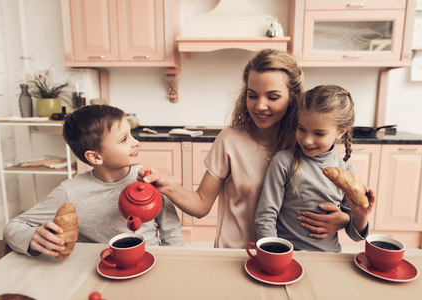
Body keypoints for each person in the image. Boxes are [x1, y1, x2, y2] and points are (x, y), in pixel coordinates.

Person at [139, 49, 351, 248]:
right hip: (236, 253)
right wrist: (168, 186)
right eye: (252, 95)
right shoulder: (230, 140)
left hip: (286, 256)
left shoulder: (305, 142)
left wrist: (344, 219)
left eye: (273, 97)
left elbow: (326, 199)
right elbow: (202, 205)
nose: (260, 105)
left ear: (292, 98)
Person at [3, 105, 184, 258]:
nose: (136, 142)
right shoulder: (70, 192)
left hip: (149, 263)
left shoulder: (150, 179)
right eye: (124, 139)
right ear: (95, 157)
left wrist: (175, 265)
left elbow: (171, 232)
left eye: (131, 134)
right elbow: (12, 228)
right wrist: (32, 237)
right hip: (97, 268)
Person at [255, 84, 376, 252]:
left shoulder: (347, 173)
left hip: (329, 257)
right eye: (301, 129)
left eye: (319, 133)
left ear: (341, 131)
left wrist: (359, 217)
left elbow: (356, 236)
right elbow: (265, 217)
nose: (307, 140)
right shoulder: (284, 161)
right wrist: (274, 253)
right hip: (287, 255)